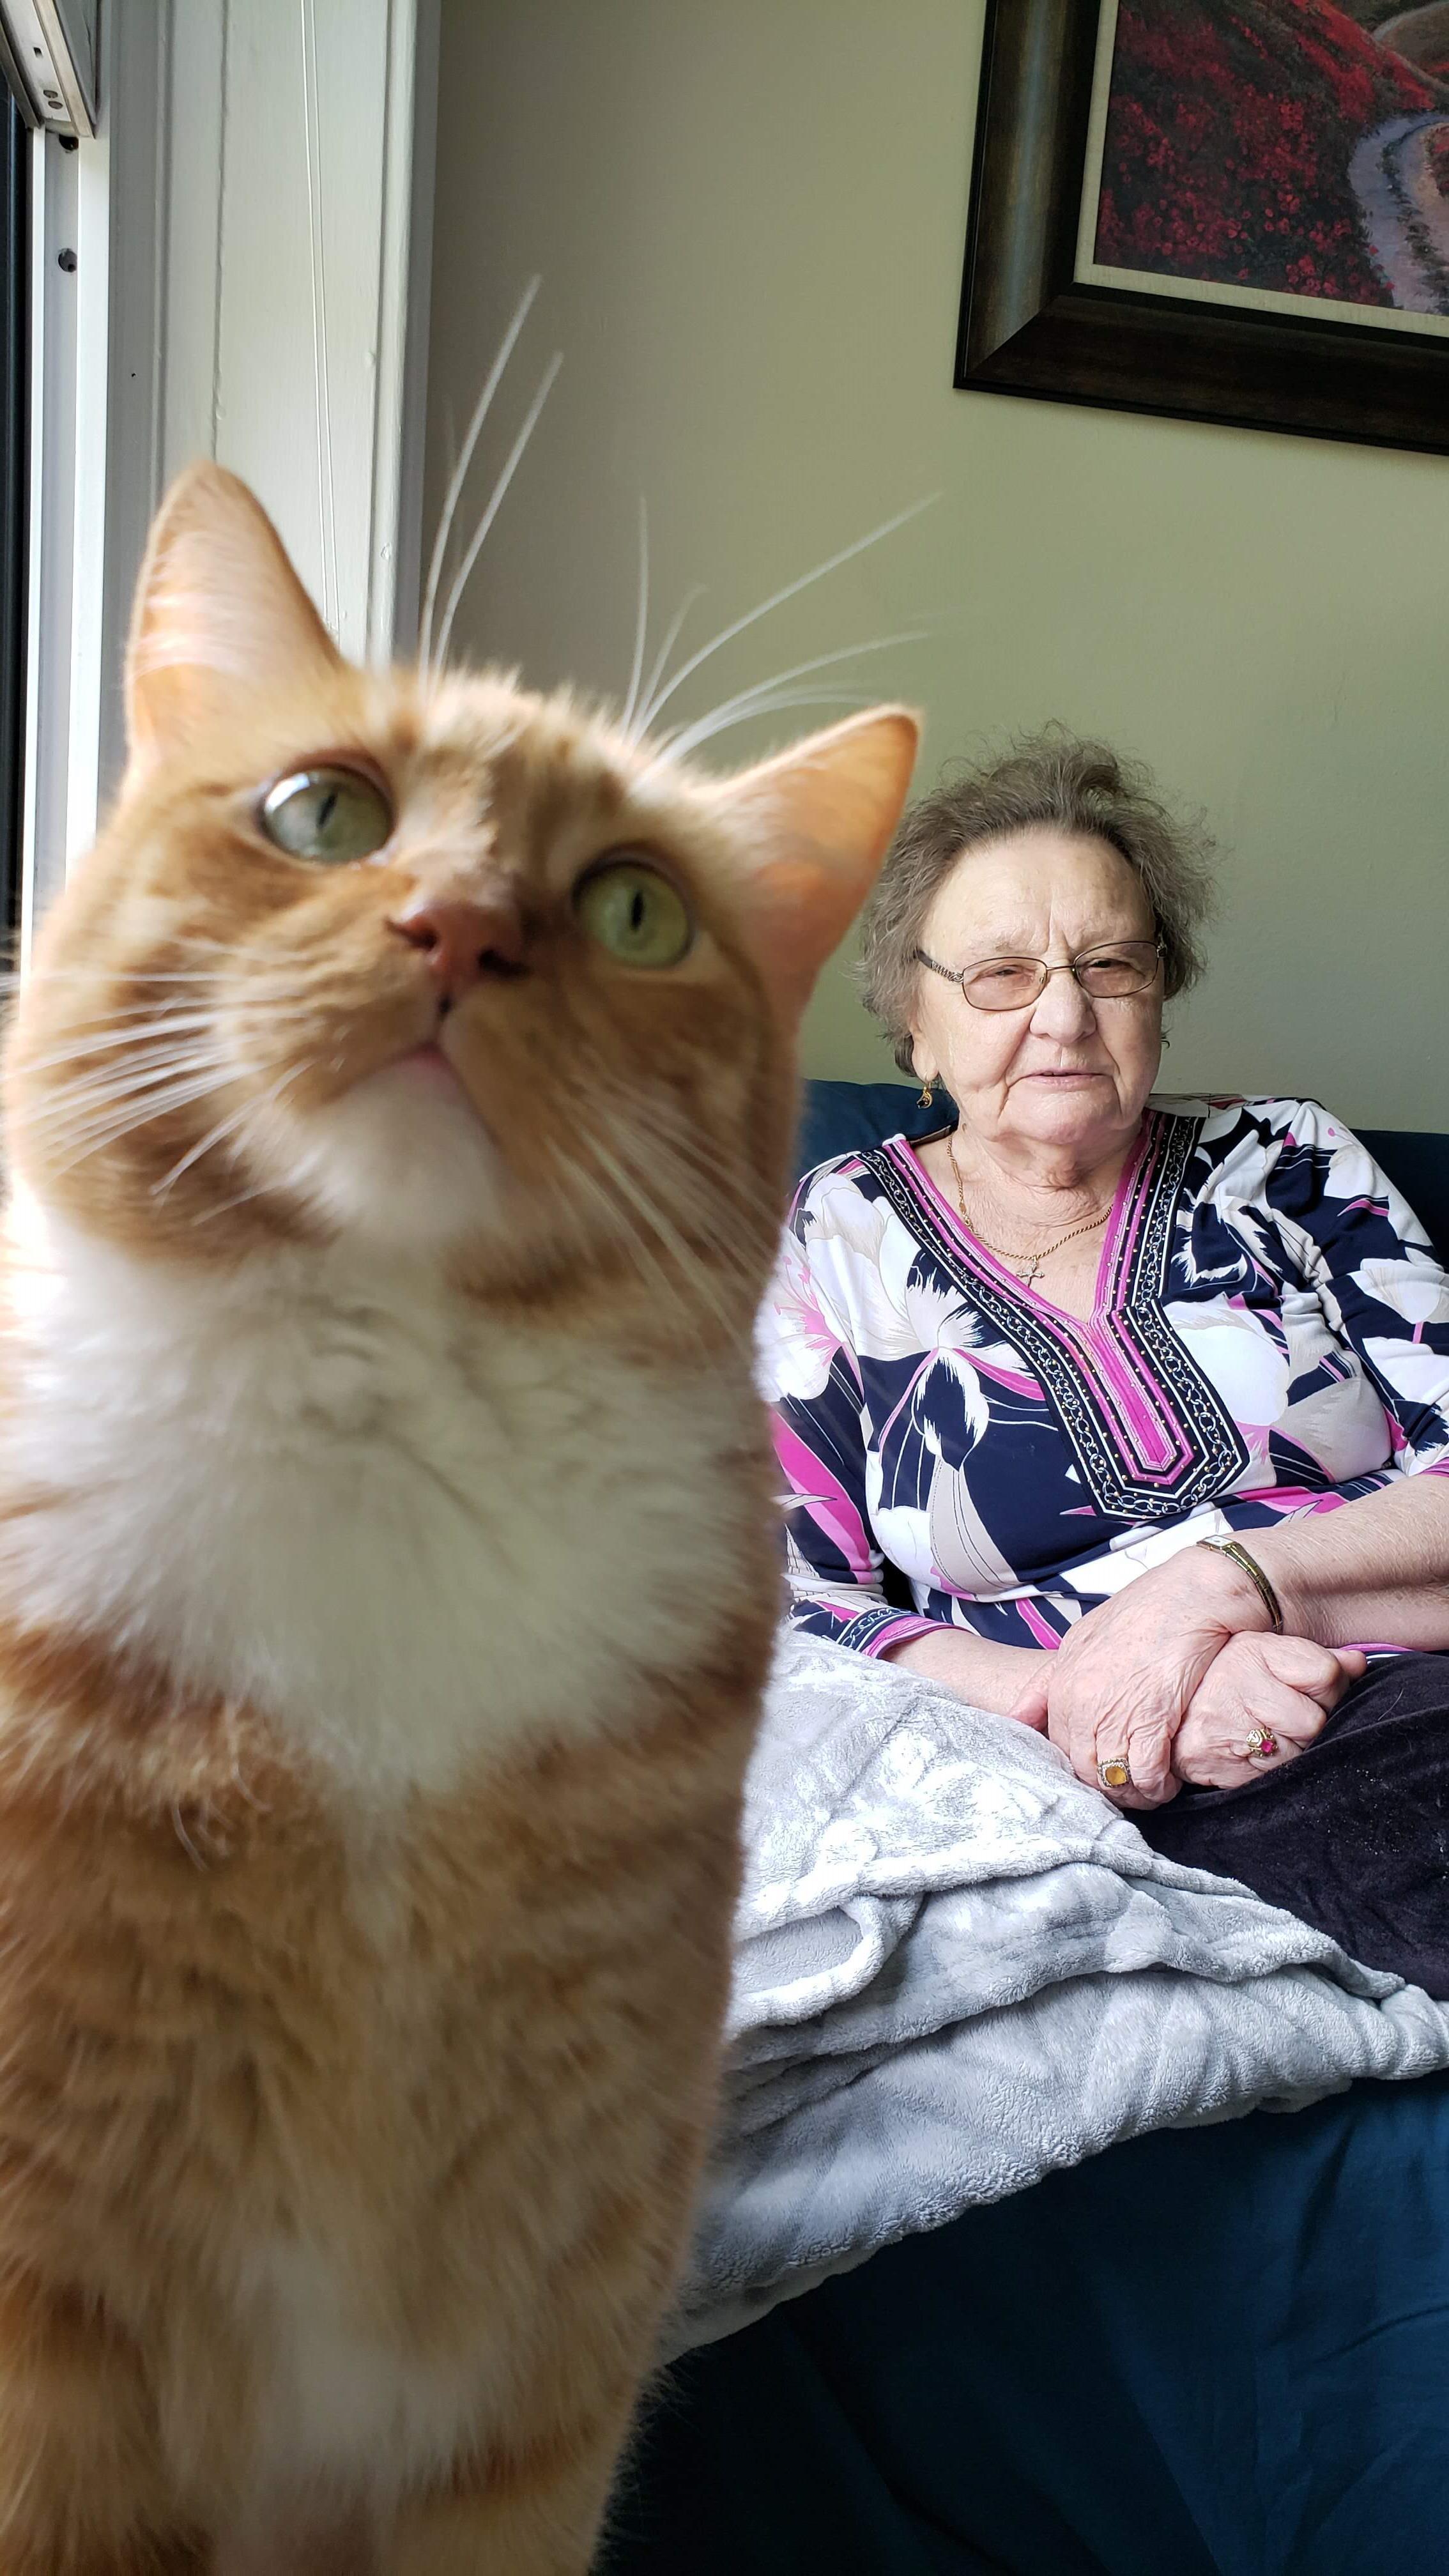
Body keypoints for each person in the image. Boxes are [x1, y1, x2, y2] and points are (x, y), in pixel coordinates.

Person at [760, 733, 1449, 1991]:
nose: (1065, 1016)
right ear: (915, 1021)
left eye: (1111, 966)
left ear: (1160, 997)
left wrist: (1230, 1593)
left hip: (1388, 1681)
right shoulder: (837, 1232)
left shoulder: (1289, 1162)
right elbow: (791, 1596)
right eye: (1001, 975)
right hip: (1085, 1762)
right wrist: (1098, 1698)